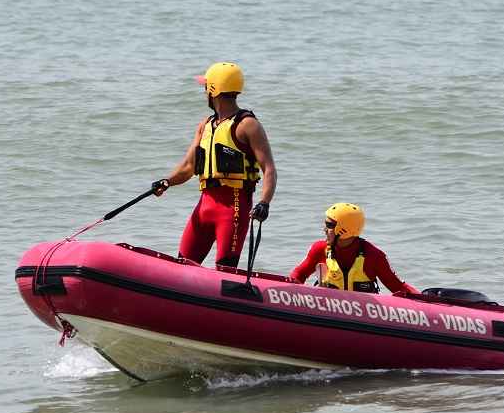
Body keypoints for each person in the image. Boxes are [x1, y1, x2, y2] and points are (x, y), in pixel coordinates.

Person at [151, 62, 277, 268]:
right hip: (204, 206)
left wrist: (264, 202)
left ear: (214, 90)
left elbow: (269, 168)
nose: (204, 92)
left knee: (225, 270)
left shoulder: (247, 125)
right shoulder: (205, 125)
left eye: (206, 87)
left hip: (234, 207)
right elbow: (188, 167)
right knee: (181, 266)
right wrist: (167, 182)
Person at [290, 203, 418, 295]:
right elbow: (298, 274)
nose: (324, 230)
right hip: (327, 314)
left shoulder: (373, 256)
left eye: (329, 225)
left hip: (362, 318)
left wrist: (426, 301)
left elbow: (398, 287)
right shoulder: (319, 249)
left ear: (344, 229)